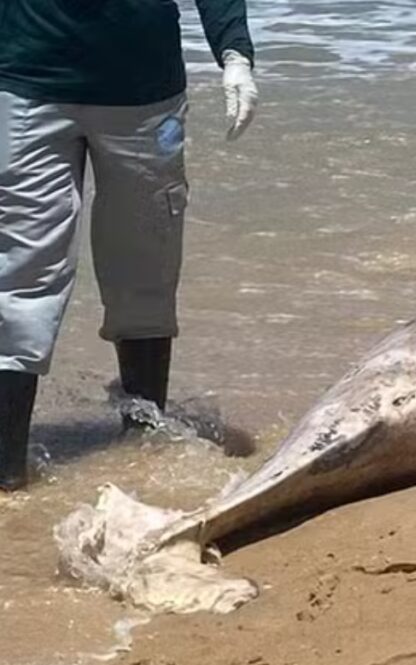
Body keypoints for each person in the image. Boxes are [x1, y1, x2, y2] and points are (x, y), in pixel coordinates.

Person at [0, 1, 259, 491]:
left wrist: (236, 55)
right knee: (18, 277)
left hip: (145, 97)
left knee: (146, 271)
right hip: (23, 84)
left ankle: (144, 457)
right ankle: (5, 473)